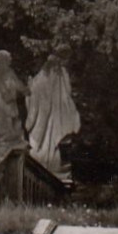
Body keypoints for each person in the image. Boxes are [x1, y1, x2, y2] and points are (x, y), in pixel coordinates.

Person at [25, 45, 80, 179]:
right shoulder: (53, 74)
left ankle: (48, 169)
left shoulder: (55, 74)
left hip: (50, 118)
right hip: (46, 118)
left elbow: (64, 93)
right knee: (44, 147)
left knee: (47, 147)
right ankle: (46, 169)